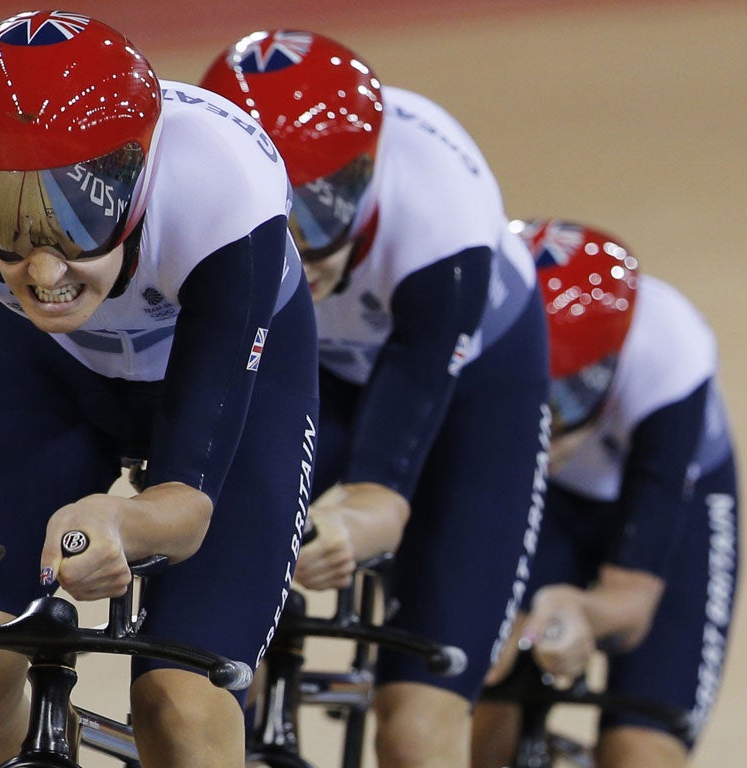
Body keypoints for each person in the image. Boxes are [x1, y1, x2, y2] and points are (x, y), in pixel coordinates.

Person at [0, 11, 319, 768]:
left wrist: (122, 518)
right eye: (3, 220)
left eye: (79, 219)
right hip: (46, 373)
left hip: (217, 372)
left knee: (181, 705)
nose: (43, 271)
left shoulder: (225, 202)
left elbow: (187, 507)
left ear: (137, 175)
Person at [201, 31, 551, 768]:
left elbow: (381, 496)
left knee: (417, 727)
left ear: (373, 169)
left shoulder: (442, 224)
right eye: (280, 216)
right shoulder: (193, 207)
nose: (305, 249)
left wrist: (353, 523)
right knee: (207, 675)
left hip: (471, 388)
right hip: (315, 369)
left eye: (326, 211)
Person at [471, 218, 740, 768]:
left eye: (568, 398)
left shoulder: (670, 353)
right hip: (544, 498)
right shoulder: (474, 308)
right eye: (530, 402)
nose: (546, 433)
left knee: (642, 751)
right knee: (479, 705)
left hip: (672, 500)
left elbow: (633, 604)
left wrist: (580, 613)